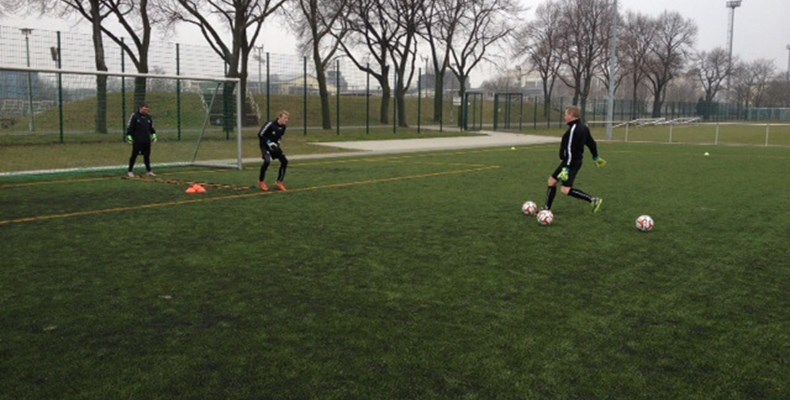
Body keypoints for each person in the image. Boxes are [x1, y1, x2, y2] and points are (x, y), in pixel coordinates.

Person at [543, 105, 607, 213]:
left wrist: (566, 168)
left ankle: (593, 200)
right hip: (572, 161)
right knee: (552, 181)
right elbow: (592, 143)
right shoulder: (583, 127)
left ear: (571, 115)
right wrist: (596, 157)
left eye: (566, 114)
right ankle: (546, 209)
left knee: (565, 190)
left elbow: (570, 151)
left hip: (571, 162)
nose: (564, 117)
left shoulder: (573, 130)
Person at [257, 110, 290, 192]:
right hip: (265, 146)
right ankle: (261, 181)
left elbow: (279, 137)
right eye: (285, 118)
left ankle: (279, 182)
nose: (287, 120)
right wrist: (269, 143)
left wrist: (277, 144)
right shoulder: (270, 124)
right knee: (267, 161)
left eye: (287, 118)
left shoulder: (283, 127)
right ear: (279, 117)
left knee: (284, 161)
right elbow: (260, 134)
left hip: (274, 146)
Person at [125, 103, 157, 177]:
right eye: (144, 109)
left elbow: (151, 128)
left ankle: (149, 171)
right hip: (137, 140)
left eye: (147, 109)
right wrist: (129, 136)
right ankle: (130, 171)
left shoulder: (149, 117)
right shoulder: (135, 116)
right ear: (140, 108)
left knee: (147, 156)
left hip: (146, 140)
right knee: (134, 155)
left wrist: (154, 135)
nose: (145, 111)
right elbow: (130, 127)